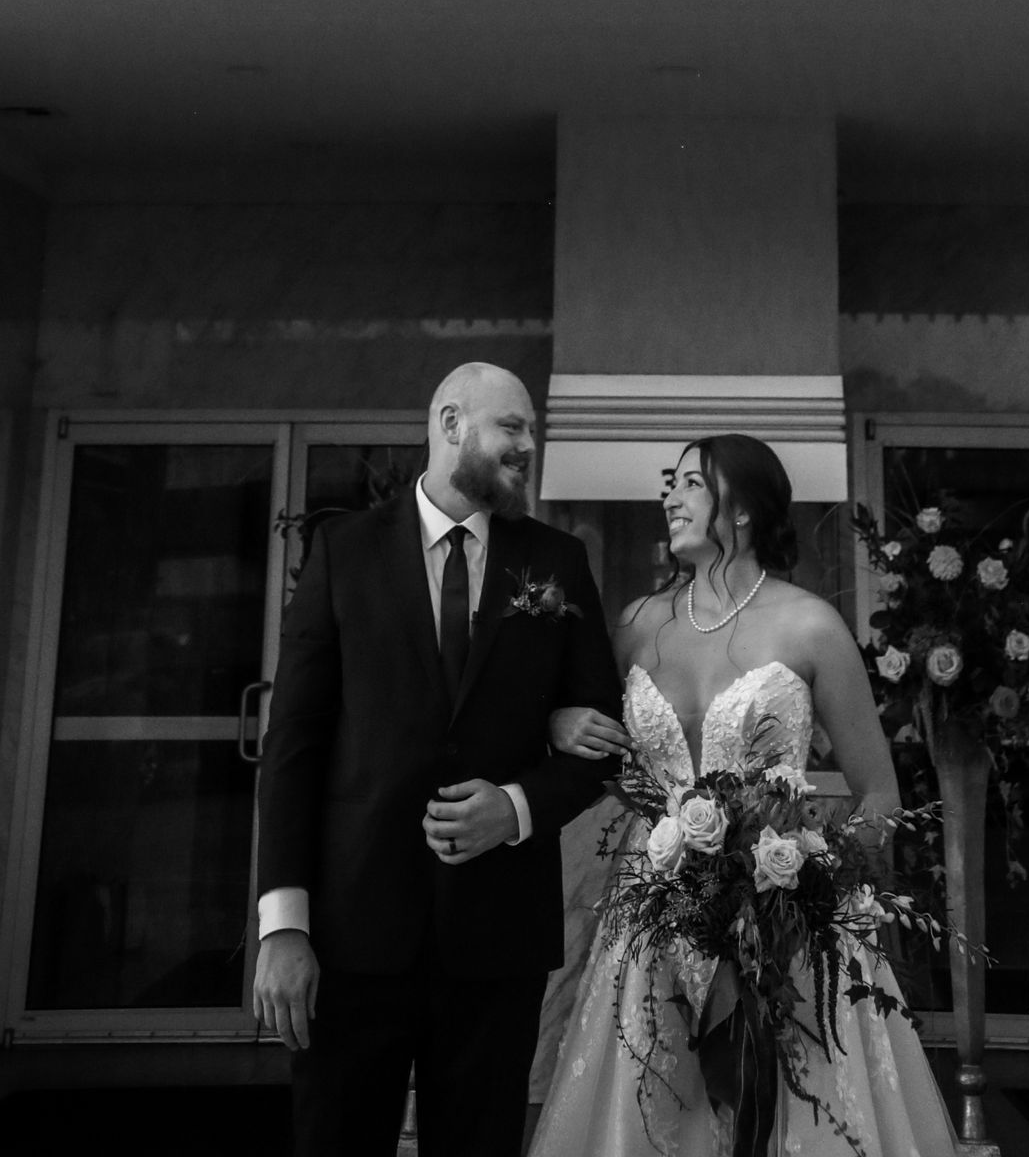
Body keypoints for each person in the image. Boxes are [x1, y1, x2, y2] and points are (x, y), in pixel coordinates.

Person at [529, 433, 957, 1157]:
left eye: (691, 483)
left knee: (787, 1107)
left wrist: (810, 882)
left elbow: (879, 792)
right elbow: (601, 758)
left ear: (746, 510)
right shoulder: (637, 626)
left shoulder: (811, 625)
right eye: (671, 482)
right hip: (652, 915)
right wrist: (557, 720)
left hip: (787, 926)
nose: (670, 496)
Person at [253, 362, 623, 1157]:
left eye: (532, 430)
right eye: (511, 428)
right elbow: (294, 745)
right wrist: (283, 925)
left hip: (496, 944)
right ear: (451, 425)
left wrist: (516, 807)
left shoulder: (557, 563)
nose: (528, 445)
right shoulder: (342, 552)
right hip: (352, 937)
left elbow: (602, 744)